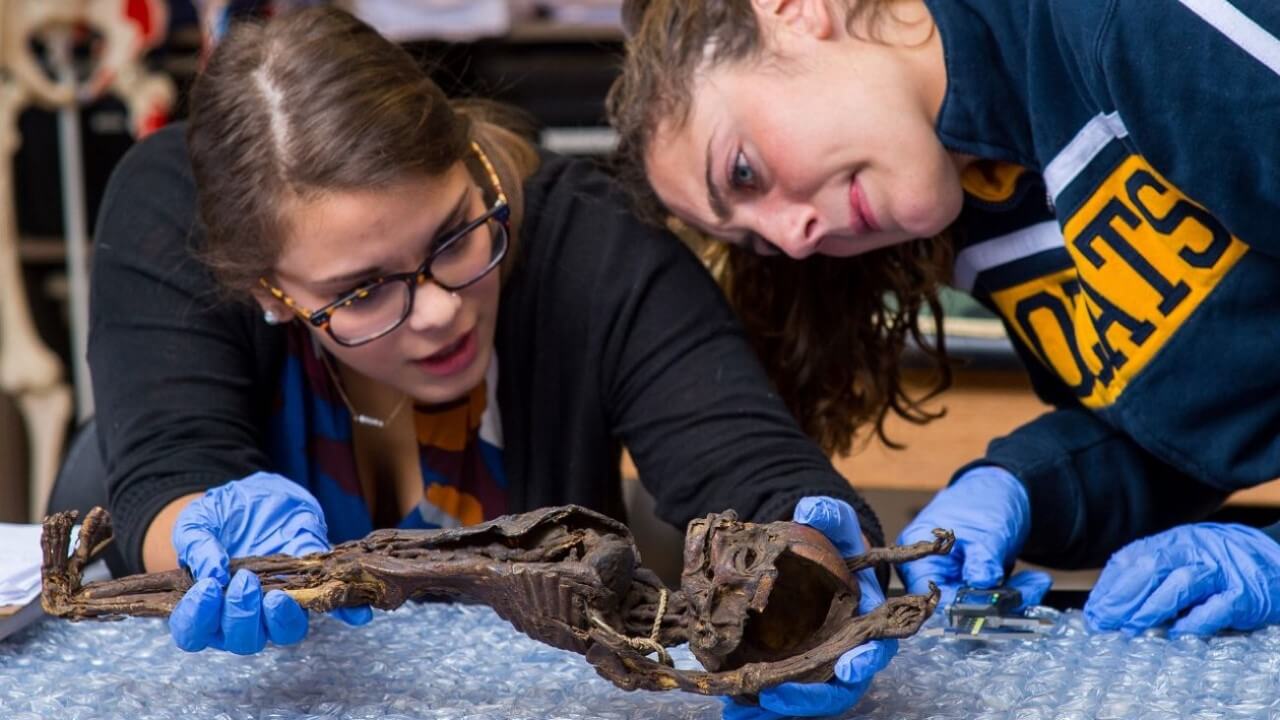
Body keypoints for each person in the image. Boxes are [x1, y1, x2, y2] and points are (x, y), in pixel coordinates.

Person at [88, 6, 895, 714]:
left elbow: (750, 468)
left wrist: (815, 570)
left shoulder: (597, 248)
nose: (440, 309)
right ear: (270, 293)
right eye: (362, 292)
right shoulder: (172, 220)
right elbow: (166, 472)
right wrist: (202, 539)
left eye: (452, 236)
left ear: (475, 163)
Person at [610, 0, 1280, 672]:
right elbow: (1201, 416)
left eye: (744, 172)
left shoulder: (1136, 23)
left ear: (793, 11)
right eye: (757, 240)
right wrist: (1020, 488)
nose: (792, 238)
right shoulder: (979, 208)